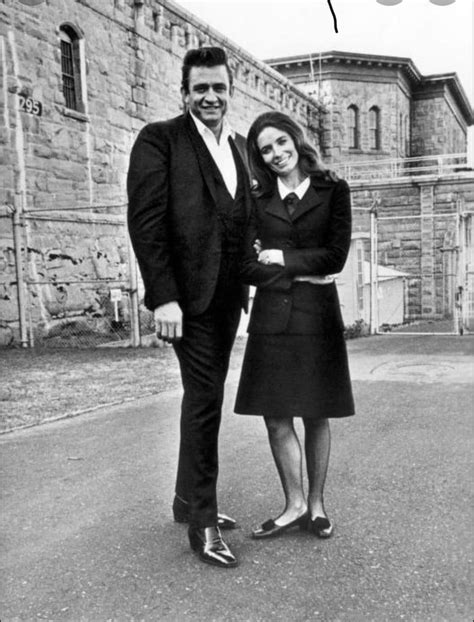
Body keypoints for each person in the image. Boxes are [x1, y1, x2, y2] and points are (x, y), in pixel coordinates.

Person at [127, 47, 252, 568]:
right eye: (200, 88)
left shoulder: (242, 148)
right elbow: (147, 222)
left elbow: (248, 219)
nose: (210, 97)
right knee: (203, 403)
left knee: (205, 400)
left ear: (230, 91)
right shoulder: (160, 139)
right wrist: (164, 298)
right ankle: (202, 523)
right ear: (185, 92)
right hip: (187, 303)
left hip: (228, 301)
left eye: (219, 87)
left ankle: (186, 501)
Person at [235, 111, 355, 539]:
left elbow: (335, 258)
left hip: (317, 316)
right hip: (272, 318)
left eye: (281, 143)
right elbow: (246, 265)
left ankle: (318, 507)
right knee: (275, 417)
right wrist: (302, 271)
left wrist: (282, 258)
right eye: (266, 149)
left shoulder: (333, 189)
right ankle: (294, 504)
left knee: (316, 413)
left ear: (295, 140)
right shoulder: (256, 197)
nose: (276, 154)